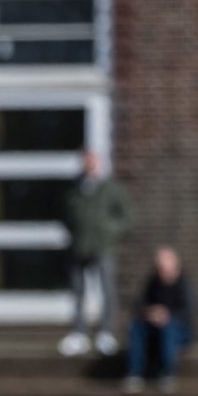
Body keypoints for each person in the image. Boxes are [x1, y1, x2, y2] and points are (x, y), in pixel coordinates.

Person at [58, 148, 130, 358]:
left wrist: (109, 231)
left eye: (92, 161)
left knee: (107, 289)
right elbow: (64, 214)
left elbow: (125, 217)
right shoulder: (73, 188)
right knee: (78, 291)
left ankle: (106, 332)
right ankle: (79, 332)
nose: (89, 165)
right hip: (79, 246)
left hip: (102, 246)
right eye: (86, 161)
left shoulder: (110, 189)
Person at [122, 246, 193, 394]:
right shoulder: (152, 282)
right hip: (152, 326)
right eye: (159, 268)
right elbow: (139, 304)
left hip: (178, 329)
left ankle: (167, 373)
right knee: (136, 327)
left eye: (164, 268)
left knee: (169, 328)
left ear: (175, 266)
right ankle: (135, 373)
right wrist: (150, 312)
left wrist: (167, 314)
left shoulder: (184, 285)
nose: (161, 272)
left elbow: (187, 312)